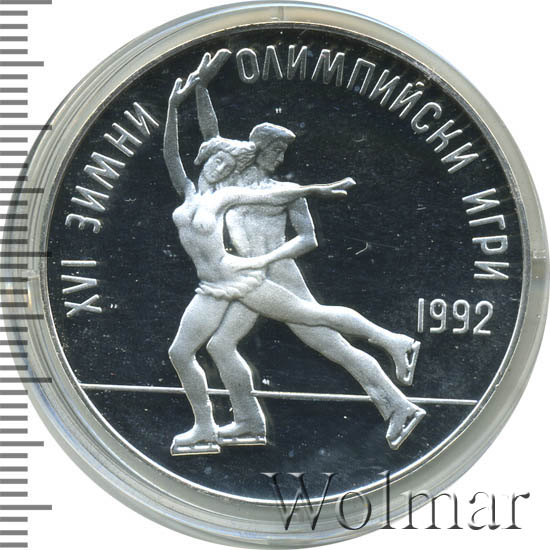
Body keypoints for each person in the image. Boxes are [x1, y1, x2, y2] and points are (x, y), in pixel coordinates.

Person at [165, 55, 425, 456]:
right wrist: (201, 85)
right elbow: (210, 137)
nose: (280, 158)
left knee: (331, 343)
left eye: (283, 151)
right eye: (275, 149)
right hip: (243, 279)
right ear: (257, 149)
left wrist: (269, 256)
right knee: (220, 345)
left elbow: (308, 239)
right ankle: (249, 421)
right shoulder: (232, 180)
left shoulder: (277, 191)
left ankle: (396, 374)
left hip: (277, 275)